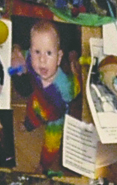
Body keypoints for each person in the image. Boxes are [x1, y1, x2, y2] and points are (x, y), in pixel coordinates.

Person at [10, 20, 78, 172]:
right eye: (37, 52)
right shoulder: (32, 62)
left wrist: (75, 67)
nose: (42, 60)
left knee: (51, 146)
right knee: (31, 114)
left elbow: (75, 90)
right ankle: (28, 125)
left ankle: (44, 165)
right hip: (37, 101)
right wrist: (16, 66)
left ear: (59, 57)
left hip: (56, 117)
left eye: (49, 53)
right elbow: (22, 59)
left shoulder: (65, 86)